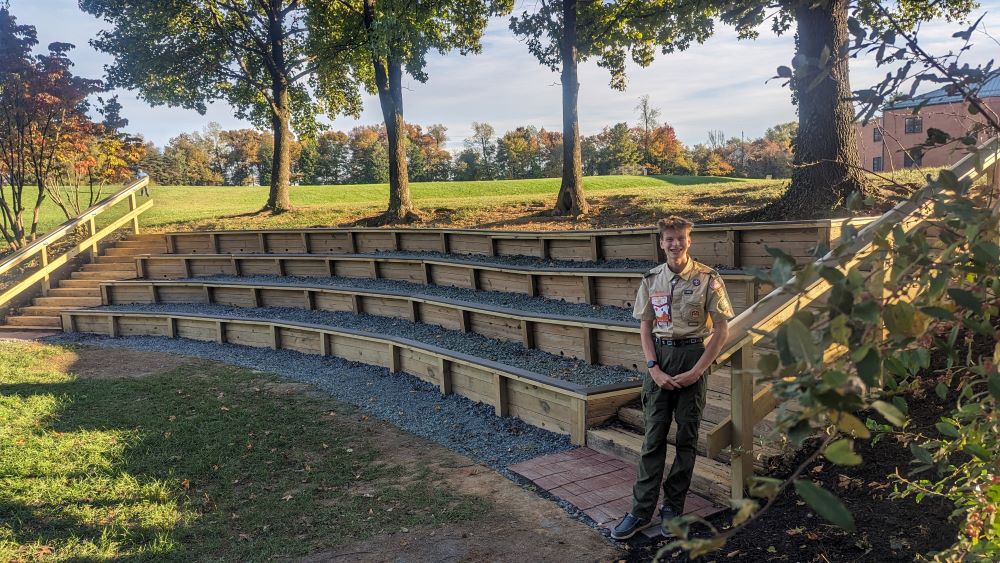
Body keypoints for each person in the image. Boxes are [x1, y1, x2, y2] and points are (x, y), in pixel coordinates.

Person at [610, 216, 734, 540]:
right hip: (660, 359)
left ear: (689, 241)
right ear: (661, 242)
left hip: (693, 355)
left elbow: (721, 329)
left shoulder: (709, 278)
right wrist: (652, 367)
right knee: (653, 438)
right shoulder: (651, 280)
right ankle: (640, 510)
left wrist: (698, 370)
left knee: (686, 439)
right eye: (669, 239)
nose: (675, 243)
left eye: (680, 238)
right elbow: (645, 326)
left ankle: (673, 507)